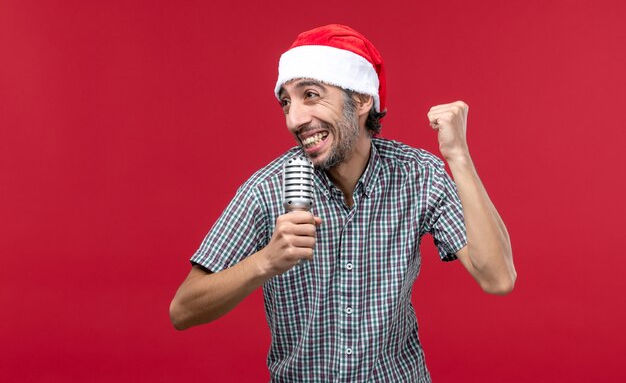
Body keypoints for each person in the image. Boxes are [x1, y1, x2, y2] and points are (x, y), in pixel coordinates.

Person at [169, 24, 516, 382]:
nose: (295, 119)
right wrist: (265, 262)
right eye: (286, 102)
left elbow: (497, 278)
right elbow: (183, 309)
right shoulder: (267, 189)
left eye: (311, 95)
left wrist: (458, 156)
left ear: (363, 99)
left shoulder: (418, 175)